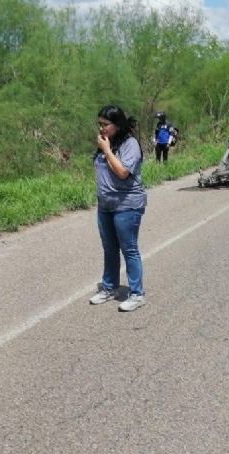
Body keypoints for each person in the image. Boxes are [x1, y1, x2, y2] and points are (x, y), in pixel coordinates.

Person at [89, 105, 147, 312]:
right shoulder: (107, 142)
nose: (101, 128)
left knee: (129, 249)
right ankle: (110, 287)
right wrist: (105, 148)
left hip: (127, 205)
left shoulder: (130, 144)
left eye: (106, 124)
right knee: (109, 248)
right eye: (100, 124)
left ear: (118, 124)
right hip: (106, 205)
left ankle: (137, 293)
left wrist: (106, 151)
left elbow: (123, 172)